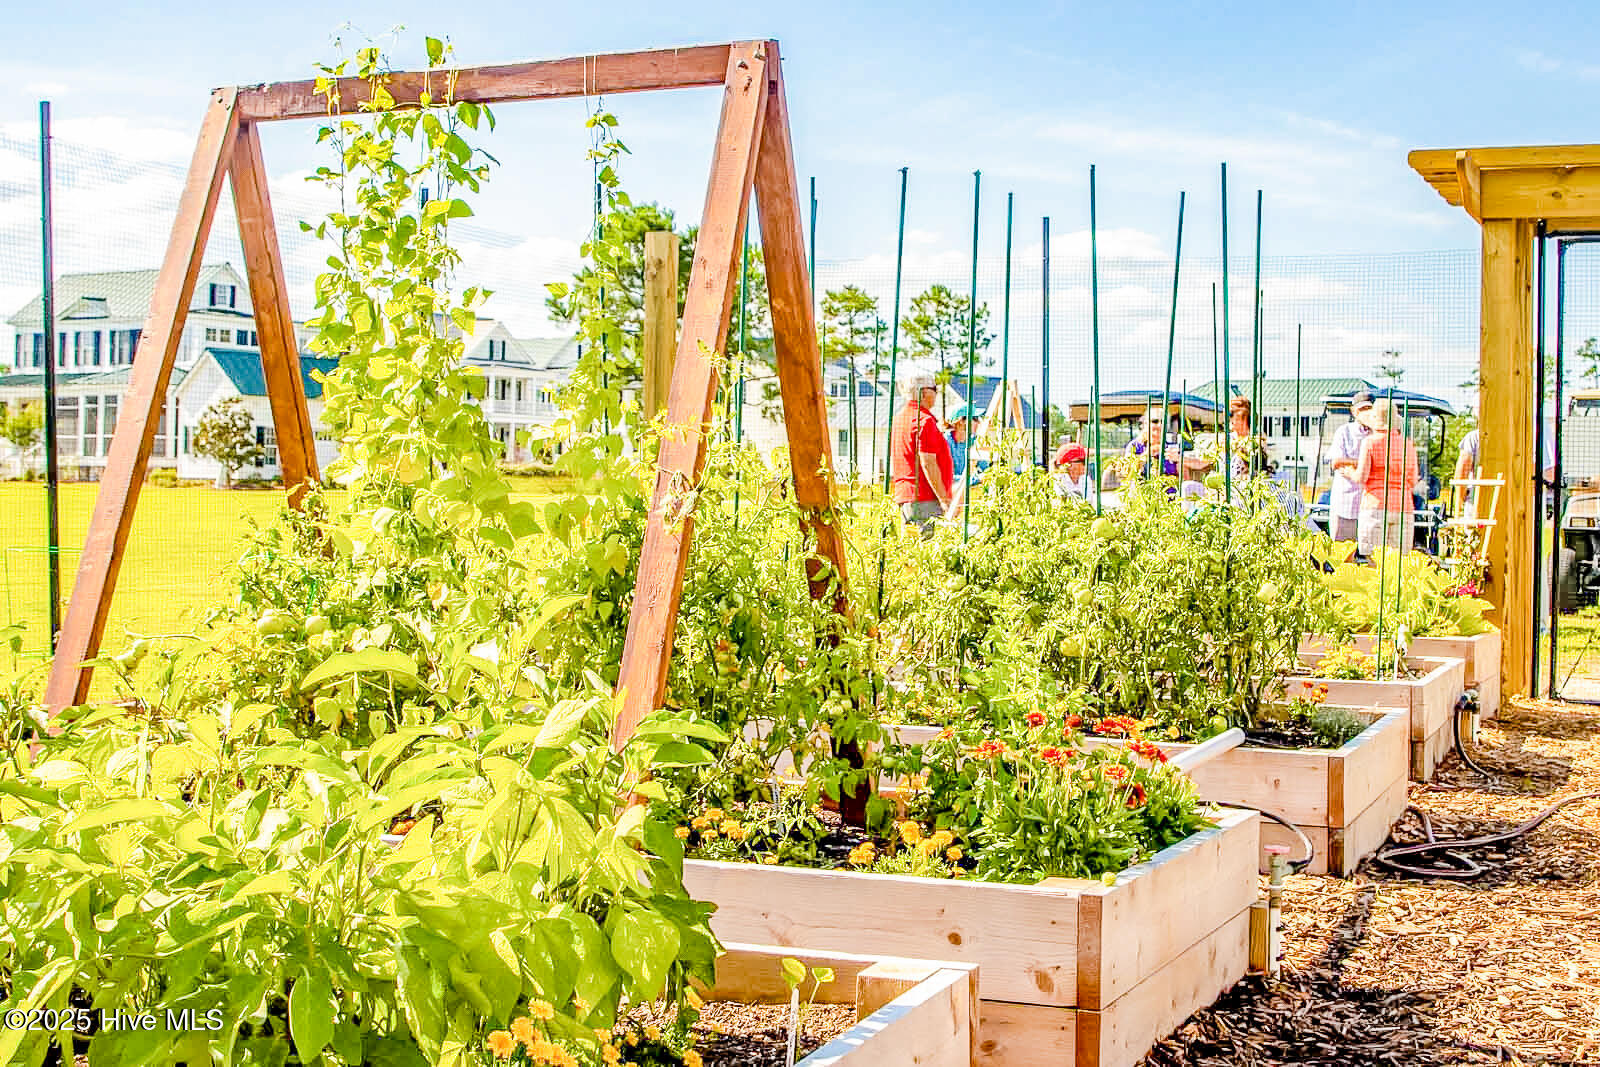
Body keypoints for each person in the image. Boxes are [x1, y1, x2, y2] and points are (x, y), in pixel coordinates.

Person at [1352, 399, 1421, 558]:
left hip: (1375, 505)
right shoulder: (1408, 445)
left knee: (1374, 560)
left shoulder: (1370, 443)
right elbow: (1413, 480)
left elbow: (1361, 477)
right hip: (1403, 506)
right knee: (1397, 562)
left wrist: (1348, 471)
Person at [890, 375, 952, 536]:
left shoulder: (900, 419)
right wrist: (944, 499)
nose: (936, 394)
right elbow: (928, 463)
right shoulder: (924, 421)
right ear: (923, 393)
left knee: (912, 547)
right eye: (934, 390)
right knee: (929, 547)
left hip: (906, 497)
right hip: (925, 498)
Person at [1327, 391, 1375, 544]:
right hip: (1345, 504)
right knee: (1342, 552)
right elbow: (1336, 463)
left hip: (1370, 507)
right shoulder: (1344, 431)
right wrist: (1364, 463)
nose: (1366, 413)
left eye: (1369, 408)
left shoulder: (1377, 434)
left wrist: (1355, 464)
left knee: (1371, 553)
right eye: (1362, 409)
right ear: (1354, 411)